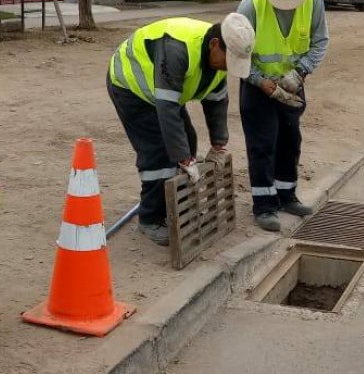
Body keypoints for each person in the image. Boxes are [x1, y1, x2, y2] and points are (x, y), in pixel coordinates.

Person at [107, 13, 255, 246]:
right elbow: (167, 109)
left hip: (161, 95)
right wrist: (183, 159)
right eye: (229, 60)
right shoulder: (178, 48)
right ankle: (150, 218)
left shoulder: (218, 62)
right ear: (215, 45)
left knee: (188, 140)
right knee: (160, 154)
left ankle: (172, 207)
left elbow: (217, 102)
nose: (229, 68)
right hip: (131, 86)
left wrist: (219, 143)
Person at [235, 0, 329, 232]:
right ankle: (264, 205)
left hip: (291, 84)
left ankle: (287, 195)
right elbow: (237, 54)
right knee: (262, 144)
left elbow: (320, 40)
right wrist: (260, 81)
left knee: (290, 140)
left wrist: (299, 73)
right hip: (257, 85)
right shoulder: (251, 3)